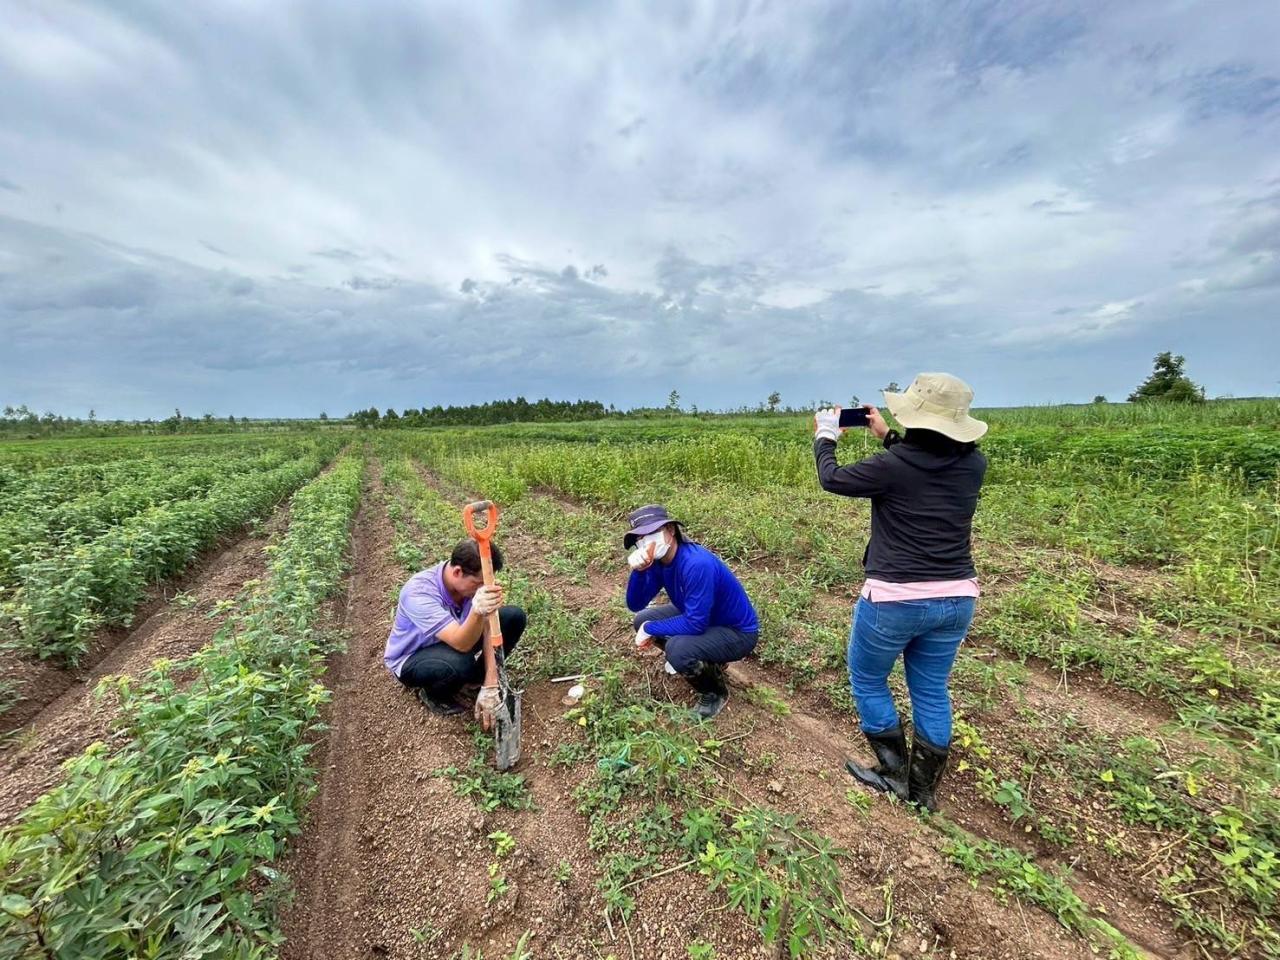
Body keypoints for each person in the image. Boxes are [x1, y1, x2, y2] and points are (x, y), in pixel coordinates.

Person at [813, 373, 988, 811]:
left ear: (915, 415)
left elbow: (832, 479)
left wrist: (826, 436)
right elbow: (923, 465)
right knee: (931, 689)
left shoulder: (891, 468)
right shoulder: (973, 465)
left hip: (895, 599)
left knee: (869, 678)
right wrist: (886, 436)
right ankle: (923, 792)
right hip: (957, 598)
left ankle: (893, 773)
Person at [624, 504, 759, 719]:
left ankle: (714, 693)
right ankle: (708, 660)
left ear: (670, 530)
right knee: (642, 619)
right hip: (704, 616)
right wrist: (639, 572)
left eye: (653, 533)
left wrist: (651, 629)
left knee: (678, 649)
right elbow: (635, 603)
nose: (647, 541)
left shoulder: (696, 563)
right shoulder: (659, 561)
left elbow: (696, 623)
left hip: (736, 631)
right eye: (641, 537)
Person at [384, 539, 527, 716]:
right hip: (413, 658)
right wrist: (476, 611)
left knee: (513, 617)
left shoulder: (467, 588)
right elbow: (462, 644)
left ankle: (475, 681)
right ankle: (433, 694)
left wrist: (490, 682)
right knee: (460, 663)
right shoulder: (418, 593)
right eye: (478, 583)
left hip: (454, 640)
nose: (481, 589)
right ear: (458, 572)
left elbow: (489, 628)